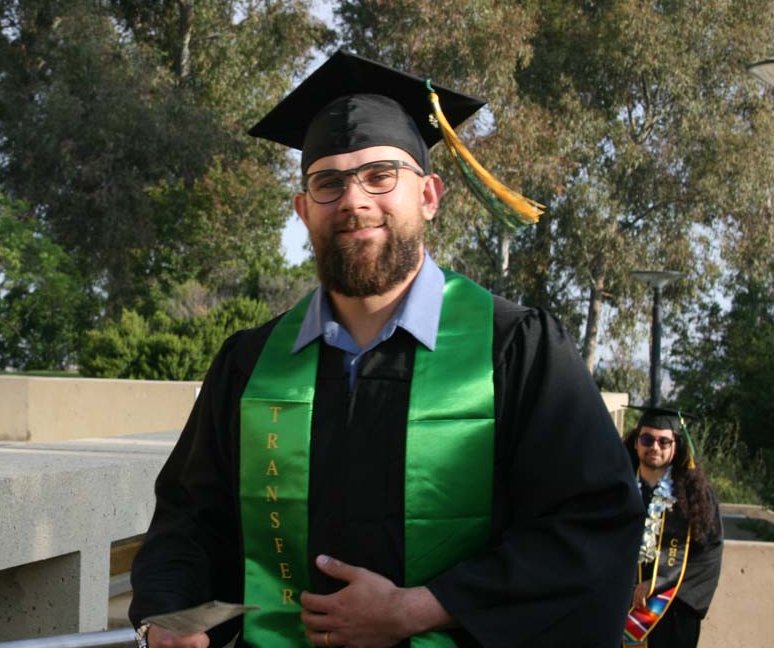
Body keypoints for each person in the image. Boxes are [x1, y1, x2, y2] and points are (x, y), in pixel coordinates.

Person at [128, 50, 645, 648]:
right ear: (303, 211)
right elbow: (188, 522)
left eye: (380, 175)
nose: (353, 201)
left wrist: (425, 607)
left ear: (428, 195)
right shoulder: (249, 365)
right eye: (328, 183)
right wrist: (168, 614)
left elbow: (591, 524)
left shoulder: (515, 351)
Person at [622, 407, 723, 648]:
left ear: (675, 447)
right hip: (620, 605)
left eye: (663, 441)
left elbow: (709, 553)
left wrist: (659, 585)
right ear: (636, 443)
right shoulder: (617, 488)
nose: (654, 447)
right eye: (647, 439)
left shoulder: (695, 496)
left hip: (670, 613)